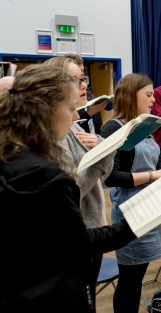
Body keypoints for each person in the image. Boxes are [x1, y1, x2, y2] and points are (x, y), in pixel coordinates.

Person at [0, 64, 136, 313]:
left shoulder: (9, 154)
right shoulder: (46, 175)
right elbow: (78, 243)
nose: (75, 117)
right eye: (71, 109)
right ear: (46, 111)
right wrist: (134, 224)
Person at [43, 56, 115, 311]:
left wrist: (103, 152)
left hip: (92, 225)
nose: (84, 85)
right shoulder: (57, 133)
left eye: (83, 78)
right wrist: (101, 157)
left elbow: (104, 176)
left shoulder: (74, 126)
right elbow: (71, 192)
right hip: (77, 234)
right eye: (76, 79)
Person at [100, 73, 161, 313]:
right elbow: (110, 176)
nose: (153, 100)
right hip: (129, 208)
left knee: (137, 276)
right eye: (148, 95)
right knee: (129, 280)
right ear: (132, 96)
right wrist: (152, 176)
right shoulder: (113, 127)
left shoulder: (143, 125)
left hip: (148, 204)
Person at [64, 53, 108, 134]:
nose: (84, 85)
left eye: (82, 71)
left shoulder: (89, 94)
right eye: (76, 78)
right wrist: (89, 113)